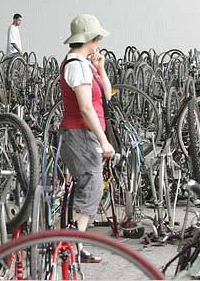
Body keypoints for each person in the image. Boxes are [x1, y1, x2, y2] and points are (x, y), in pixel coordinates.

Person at [59, 14, 113, 263]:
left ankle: (75, 243)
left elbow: (106, 96)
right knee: (91, 183)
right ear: (91, 39)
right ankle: (71, 240)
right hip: (79, 133)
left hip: (87, 132)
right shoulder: (75, 65)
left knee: (91, 185)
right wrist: (103, 141)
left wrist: (101, 68)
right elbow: (85, 108)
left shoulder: (86, 64)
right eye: (98, 37)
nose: (100, 41)